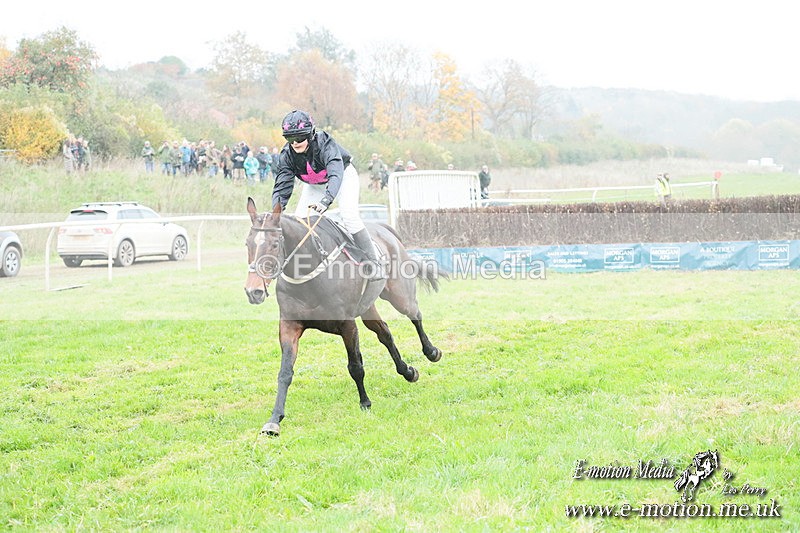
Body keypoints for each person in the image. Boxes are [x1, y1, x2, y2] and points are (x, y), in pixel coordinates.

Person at [272, 109, 385, 279]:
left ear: (310, 134)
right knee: (299, 221)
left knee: (349, 216)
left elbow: (335, 173)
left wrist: (327, 200)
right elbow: (283, 184)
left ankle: (373, 263)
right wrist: (276, 211)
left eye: (300, 138)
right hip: (314, 185)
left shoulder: (325, 143)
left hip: (343, 177)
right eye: (290, 139)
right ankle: (308, 266)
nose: (295, 143)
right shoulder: (287, 155)